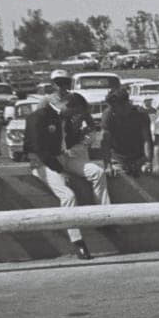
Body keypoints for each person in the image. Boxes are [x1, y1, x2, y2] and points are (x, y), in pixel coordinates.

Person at [24, 92, 110, 260]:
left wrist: (79, 136)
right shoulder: (38, 117)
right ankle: (78, 242)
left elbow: (65, 140)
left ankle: (104, 217)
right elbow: (38, 149)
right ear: (68, 106)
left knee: (97, 172)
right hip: (43, 163)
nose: (76, 116)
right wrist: (59, 170)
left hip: (63, 158)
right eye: (75, 112)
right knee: (68, 195)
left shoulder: (64, 117)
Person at [101, 87, 153, 177]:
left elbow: (147, 140)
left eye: (115, 108)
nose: (112, 111)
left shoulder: (141, 114)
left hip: (139, 157)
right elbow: (105, 142)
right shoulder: (108, 115)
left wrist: (148, 161)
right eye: (111, 107)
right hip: (118, 158)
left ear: (126, 104)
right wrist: (108, 165)